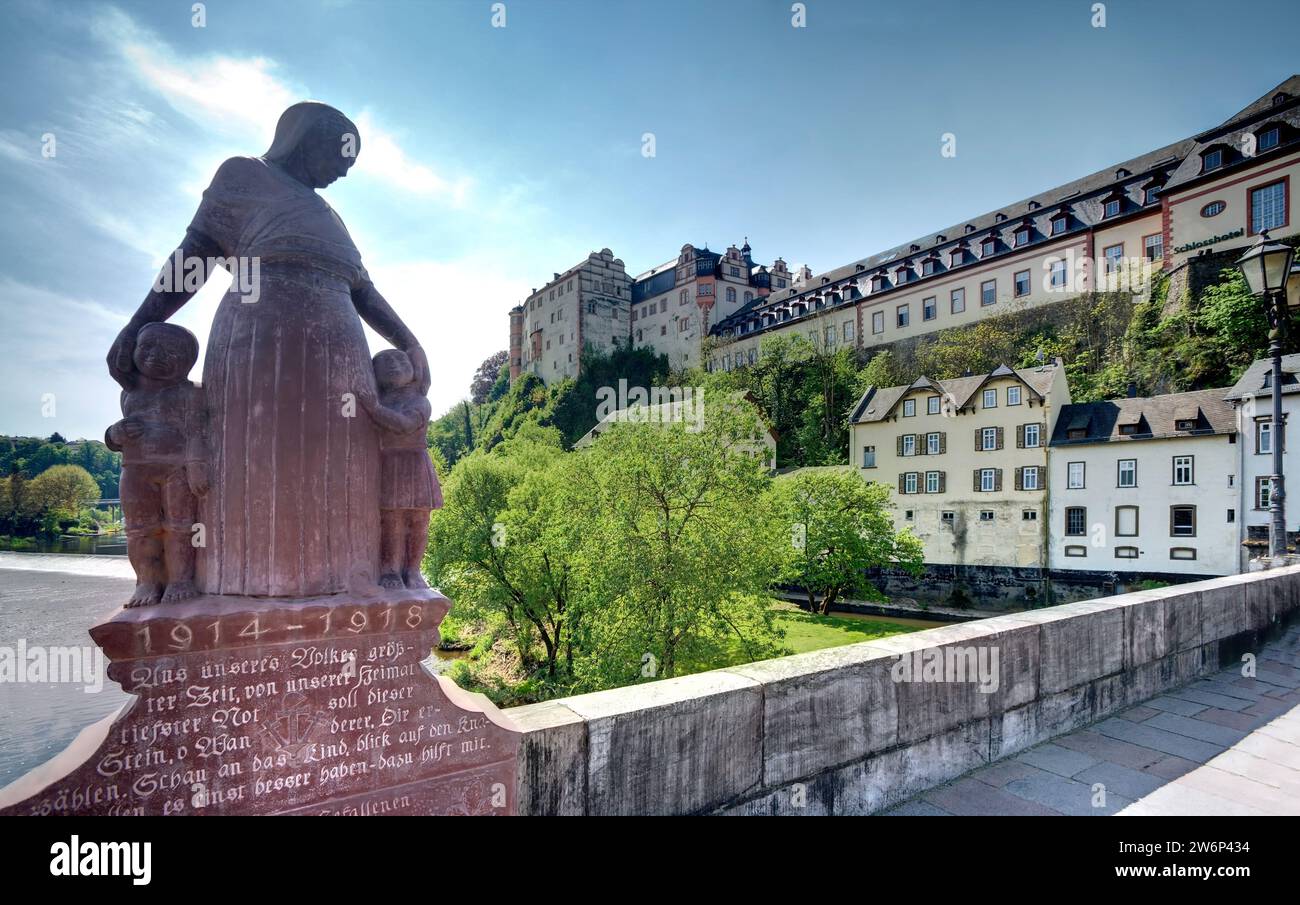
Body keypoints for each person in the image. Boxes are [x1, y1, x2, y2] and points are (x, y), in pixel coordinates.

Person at [106, 102, 429, 597]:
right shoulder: (244, 175)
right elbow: (195, 253)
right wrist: (142, 321)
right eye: (343, 152)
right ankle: (246, 586)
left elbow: (362, 289)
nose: (346, 168)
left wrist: (407, 339)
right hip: (260, 335)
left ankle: (347, 583)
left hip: (341, 346)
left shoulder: (330, 216)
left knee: (342, 468)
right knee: (254, 462)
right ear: (306, 136)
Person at [104, 322, 209, 607]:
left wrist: (197, 463)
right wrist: (115, 433)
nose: (155, 355)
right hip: (136, 470)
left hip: (178, 470)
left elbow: (198, 431)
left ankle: (180, 581)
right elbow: (114, 439)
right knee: (140, 529)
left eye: (170, 351)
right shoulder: (130, 394)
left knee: (181, 528)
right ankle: (147, 582)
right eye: (148, 347)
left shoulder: (192, 393)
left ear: (187, 360)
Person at [360, 350, 441, 590]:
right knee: (391, 519)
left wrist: (374, 410)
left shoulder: (419, 402)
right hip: (389, 464)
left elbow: (405, 425)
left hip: (415, 463)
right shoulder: (378, 400)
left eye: (400, 360)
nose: (394, 364)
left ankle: (413, 570)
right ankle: (390, 571)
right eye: (385, 362)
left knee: (419, 519)